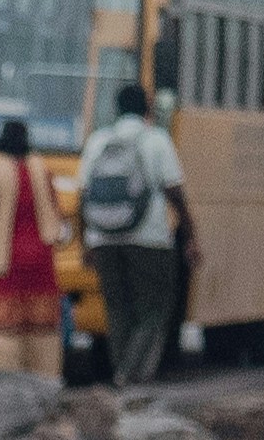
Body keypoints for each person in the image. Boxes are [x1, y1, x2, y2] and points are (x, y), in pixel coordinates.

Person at [76, 79, 184, 388]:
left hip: (104, 238)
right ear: (147, 109)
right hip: (149, 239)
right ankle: (132, 374)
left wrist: (86, 242)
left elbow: (83, 196)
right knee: (154, 308)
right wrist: (190, 234)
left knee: (117, 307)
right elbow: (174, 190)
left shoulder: (98, 141)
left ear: (116, 108)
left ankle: (121, 370)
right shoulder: (156, 140)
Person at [0, 110, 65, 381]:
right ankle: (46, 385)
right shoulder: (41, 168)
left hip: (3, 264)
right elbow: (56, 212)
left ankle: (10, 387)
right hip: (41, 262)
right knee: (42, 332)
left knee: (5, 334)